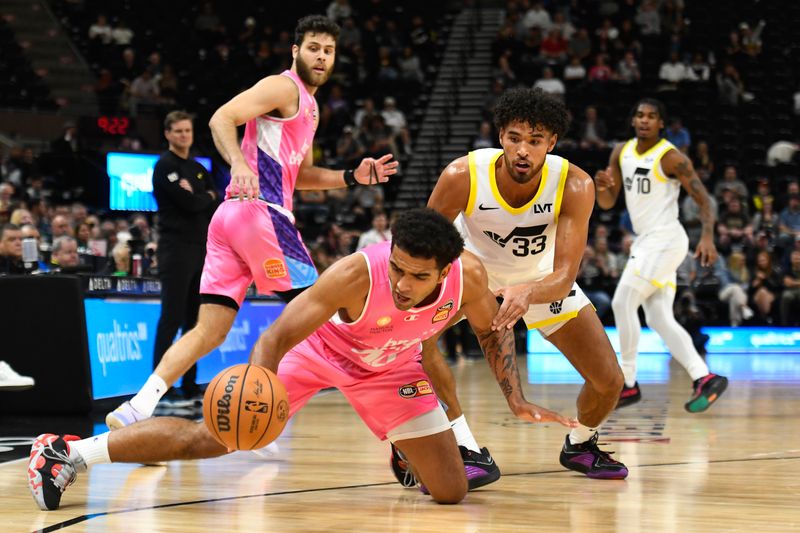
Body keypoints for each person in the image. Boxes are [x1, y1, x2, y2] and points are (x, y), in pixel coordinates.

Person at [27, 208, 574, 511]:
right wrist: (254, 403)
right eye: (399, 269)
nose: (403, 284)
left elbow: (493, 332)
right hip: (320, 356)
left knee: (452, 493)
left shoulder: (470, 279)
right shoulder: (357, 273)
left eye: (418, 275)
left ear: (447, 269)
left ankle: (406, 454)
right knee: (216, 438)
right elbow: (274, 339)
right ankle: (69, 455)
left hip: (391, 369)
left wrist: (516, 398)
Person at [105, 15, 396, 430]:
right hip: (261, 213)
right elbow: (222, 117)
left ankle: (136, 406)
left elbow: (303, 176)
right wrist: (239, 162)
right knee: (321, 308)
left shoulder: (309, 109)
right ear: (296, 51)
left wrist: (350, 176)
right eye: (313, 48)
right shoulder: (283, 87)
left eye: (328, 51)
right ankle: (387, 409)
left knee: (210, 331)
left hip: (229, 222)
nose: (321, 56)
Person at [418, 87, 628, 482]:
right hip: (473, 277)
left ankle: (581, 443)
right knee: (413, 347)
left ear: (552, 142)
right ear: (500, 136)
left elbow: (564, 275)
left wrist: (528, 291)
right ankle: (463, 445)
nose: (522, 151)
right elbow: (421, 245)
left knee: (609, 381)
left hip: (541, 282)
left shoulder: (575, 185)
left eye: (534, 141)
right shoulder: (462, 175)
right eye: (514, 138)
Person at [595, 98, 728, 412]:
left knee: (622, 301)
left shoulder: (671, 157)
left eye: (651, 116)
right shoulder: (620, 152)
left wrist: (708, 235)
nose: (644, 120)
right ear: (633, 121)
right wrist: (603, 187)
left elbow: (704, 198)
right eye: (639, 115)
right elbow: (607, 203)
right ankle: (703, 376)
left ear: (661, 124)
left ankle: (627, 383)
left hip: (666, 240)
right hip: (647, 243)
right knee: (657, 317)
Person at [147, 110, 219, 405]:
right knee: (171, 318)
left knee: (193, 320)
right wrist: (204, 198)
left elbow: (217, 196)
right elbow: (190, 204)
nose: (183, 136)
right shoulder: (164, 166)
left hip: (200, 248)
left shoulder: (197, 168)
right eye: (177, 131)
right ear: (167, 134)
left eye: (187, 131)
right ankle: (158, 387)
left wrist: (203, 197)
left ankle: (189, 384)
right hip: (175, 249)